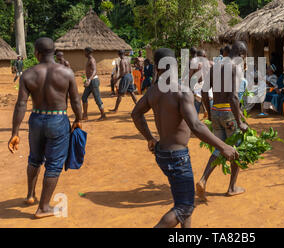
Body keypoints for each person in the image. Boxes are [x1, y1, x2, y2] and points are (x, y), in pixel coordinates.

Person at [131, 48, 238, 228]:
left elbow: (136, 114)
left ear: (156, 68)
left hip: (162, 154)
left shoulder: (153, 91)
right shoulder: (181, 91)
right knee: (185, 207)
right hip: (177, 157)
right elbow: (196, 126)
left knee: (182, 200)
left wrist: (150, 138)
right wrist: (223, 146)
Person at [8, 37, 83, 219]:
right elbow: (75, 100)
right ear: (53, 52)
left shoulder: (28, 74)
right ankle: (43, 207)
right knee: (54, 165)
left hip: (36, 119)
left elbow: (20, 105)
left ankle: (30, 195)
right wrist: (79, 119)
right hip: (58, 120)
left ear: (37, 53)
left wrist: (15, 133)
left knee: (34, 159)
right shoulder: (66, 73)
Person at [196, 41, 249, 200]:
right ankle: (232, 187)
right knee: (236, 149)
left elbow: (205, 92)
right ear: (241, 54)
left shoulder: (216, 66)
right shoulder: (235, 67)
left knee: (219, 148)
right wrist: (239, 121)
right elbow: (233, 96)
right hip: (229, 114)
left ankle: (203, 179)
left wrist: (210, 114)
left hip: (216, 110)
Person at [82, 47, 106, 121]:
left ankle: (103, 115)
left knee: (97, 99)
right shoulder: (89, 59)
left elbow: (94, 70)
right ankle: (85, 115)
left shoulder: (92, 60)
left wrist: (89, 79)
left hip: (93, 81)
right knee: (84, 98)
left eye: (85, 52)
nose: (84, 53)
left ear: (87, 52)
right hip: (90, 81)